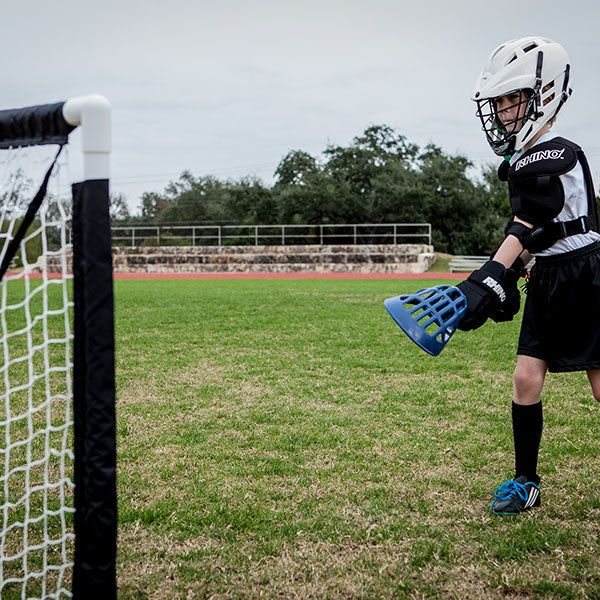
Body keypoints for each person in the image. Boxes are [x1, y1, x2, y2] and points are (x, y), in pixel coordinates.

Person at [455, 36, 600, 515]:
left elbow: (532, 220)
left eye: (510, 99)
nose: (501, 111)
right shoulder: (520, 162)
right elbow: (537, 238)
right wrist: (513, 273)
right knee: (525, 380)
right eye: (496, 102)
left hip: (587, 277)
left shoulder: (559, 152)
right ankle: (526, 481)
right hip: (547, 280)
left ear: (546, 95)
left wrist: (488, 274)